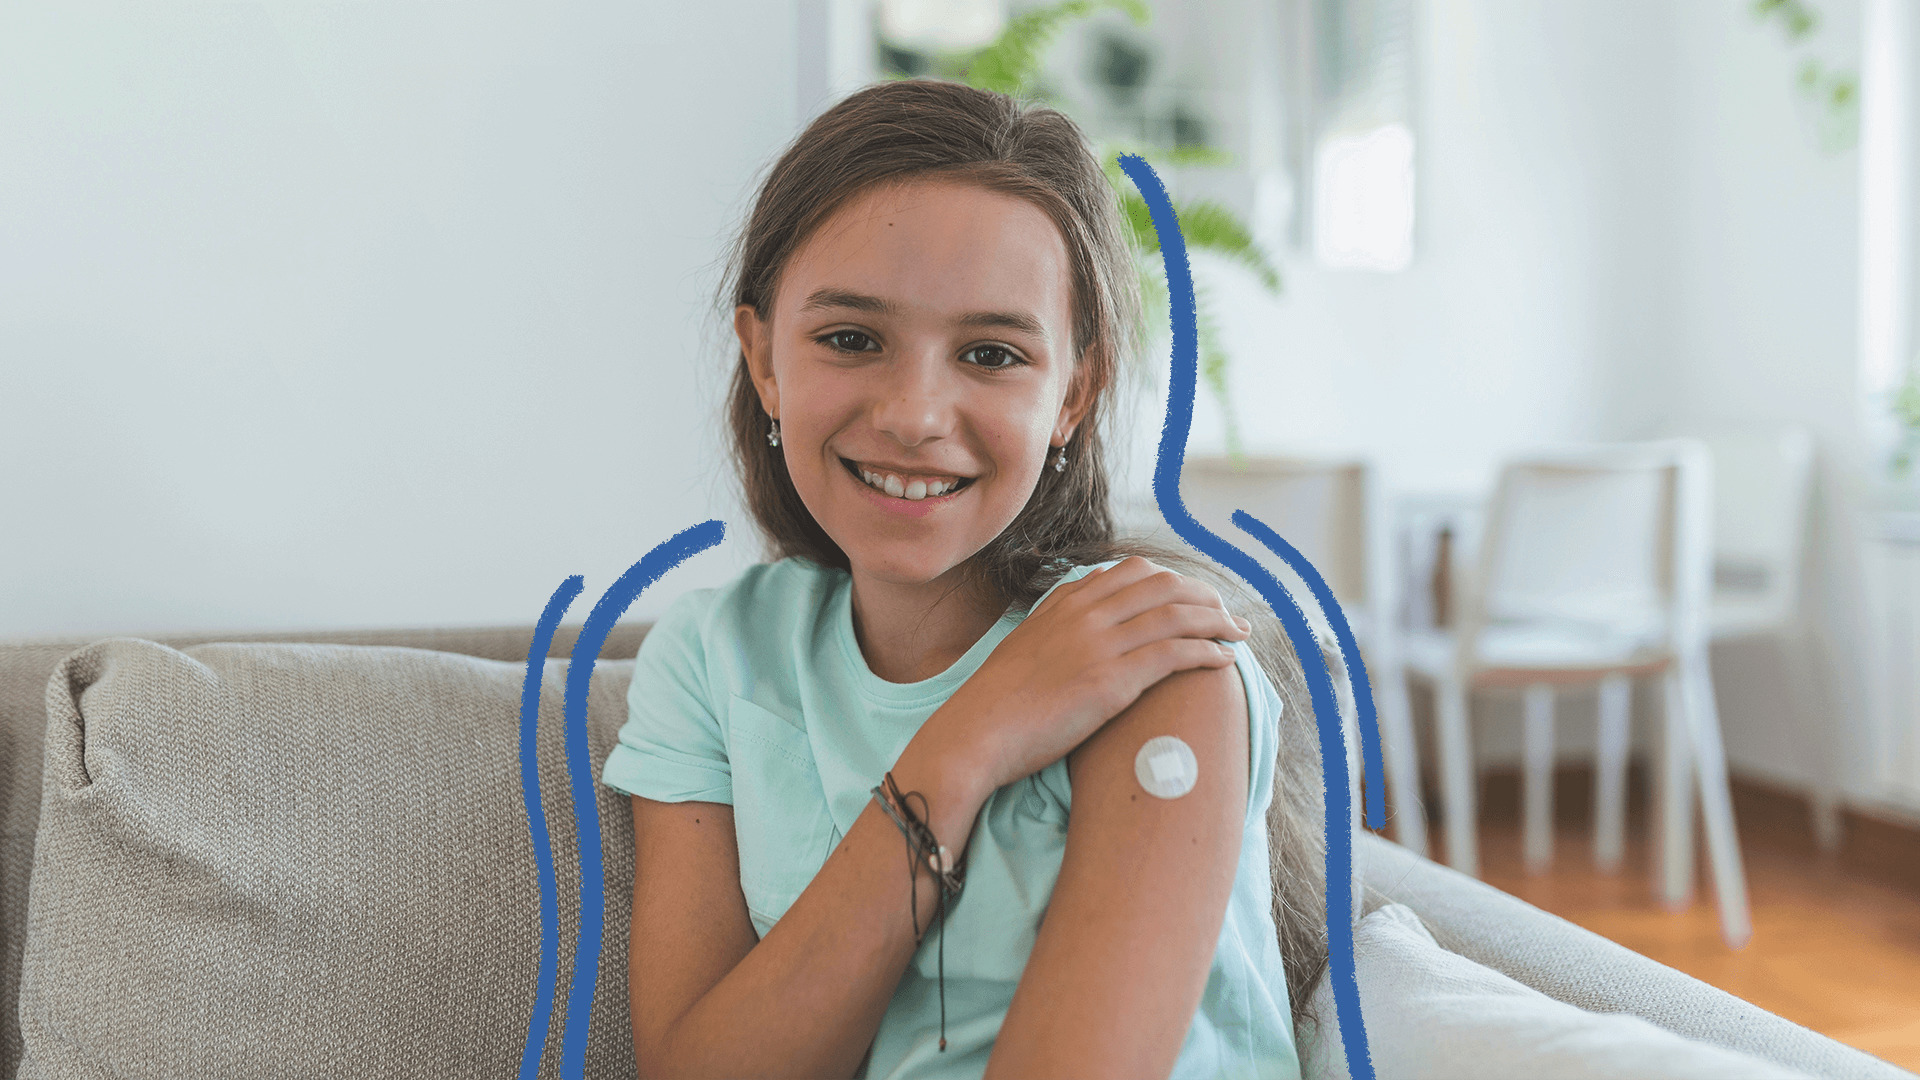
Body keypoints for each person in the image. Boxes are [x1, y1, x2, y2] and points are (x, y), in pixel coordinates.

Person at [599, 77, 1327, 1080]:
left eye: (990, 353)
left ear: (1075, 392)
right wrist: (971, 740)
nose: (914, 412)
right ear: (763, 360)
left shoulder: (1159, 662)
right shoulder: (710, 657)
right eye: (851, 339)